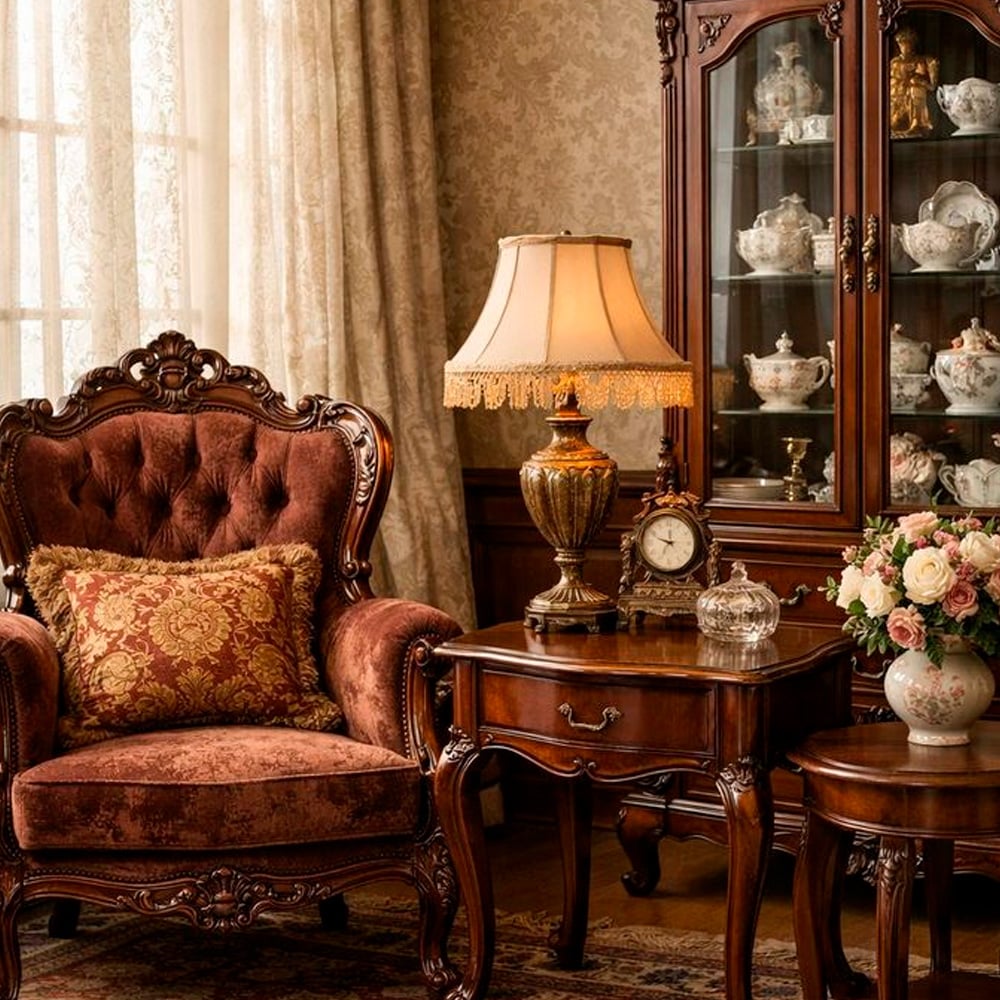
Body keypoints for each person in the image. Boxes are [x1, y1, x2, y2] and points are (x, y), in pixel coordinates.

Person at [889, 26, 939, 137]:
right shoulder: (895, 62)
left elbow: (925, 79)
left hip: (914, 91)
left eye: (909, 45)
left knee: (916, 91)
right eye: (903, 46)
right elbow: (895, 77)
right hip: (898, 94)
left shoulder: (920, 60)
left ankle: (917, 124)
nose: (907, 49)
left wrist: (920, 79)